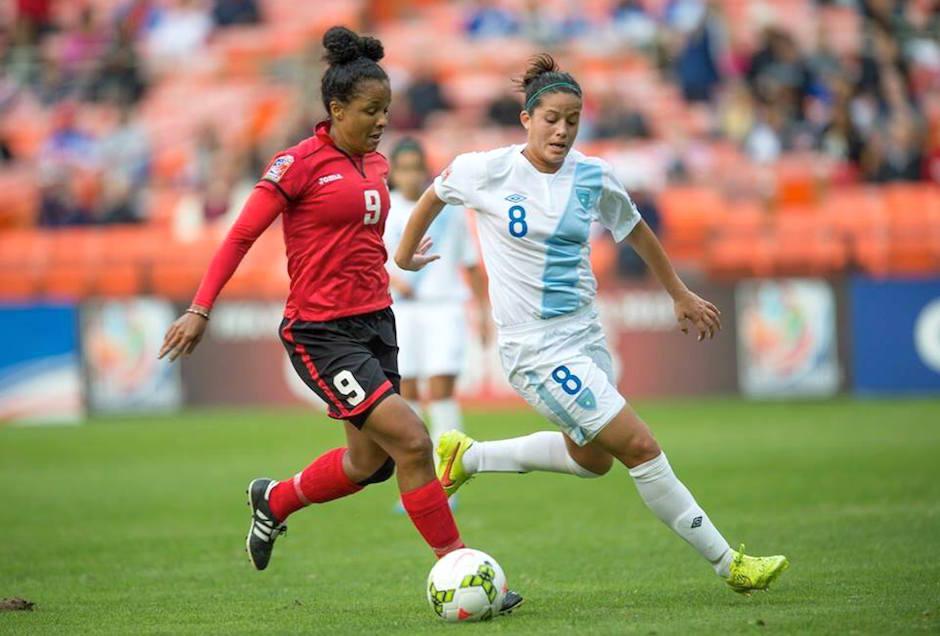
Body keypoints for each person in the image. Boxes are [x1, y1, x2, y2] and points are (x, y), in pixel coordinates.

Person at [157, 26, 522, 612]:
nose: (381, 122)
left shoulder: (375, 164)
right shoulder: (296, 164)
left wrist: (402, 257)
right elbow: (242, 235)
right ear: (335, 109)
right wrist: (201, 308)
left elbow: (370, 242)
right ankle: (462, 568)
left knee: (367, 463)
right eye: (369, 111)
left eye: (386, 111)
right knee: (412, 440)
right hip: (320, 332)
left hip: (377, 321)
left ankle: (273, 502)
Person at [395, 54, 789, 594]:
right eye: (552, 118)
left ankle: (470, 455)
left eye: (573, 119)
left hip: (585, 334)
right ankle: (730, 564)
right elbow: (434, 194)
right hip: (534, 349)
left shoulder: (594, 176)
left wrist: (679, 293)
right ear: (526, 119)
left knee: (592, 460)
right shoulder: (486, 170)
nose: (562, 130)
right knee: (641, 448)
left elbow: (636, 230)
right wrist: (404, 252)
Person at [383, 138, 489, 473]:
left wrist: (484, 314)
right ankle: (417, 474)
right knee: (408, 390)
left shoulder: (449, 210)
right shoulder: (385, 210)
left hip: (445, 307)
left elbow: (471, 262)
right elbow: (371, 261)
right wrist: (391, 279)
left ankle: (449, 470)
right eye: (404, 169)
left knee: (442, 387)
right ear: (394, 174)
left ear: (425, 171)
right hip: (402, 309)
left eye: (416, 168)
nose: (410, 176)